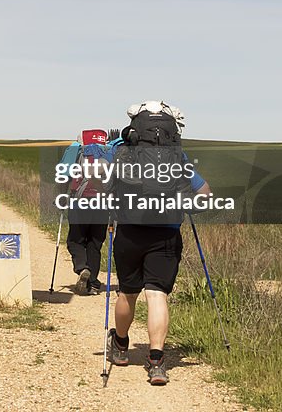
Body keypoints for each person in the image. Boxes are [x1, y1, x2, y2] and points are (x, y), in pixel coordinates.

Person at [103, 101, 211, 386]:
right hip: (166, 232)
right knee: (156, 295)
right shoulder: (178, 155)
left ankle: (121, 347)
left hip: (129, 231)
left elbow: (105, 184)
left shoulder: (121, 150)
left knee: (127, 293)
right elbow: (204, 192)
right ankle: (157, 362)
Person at [67, 132, 109, 295]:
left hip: (80, 203)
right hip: (102, 204)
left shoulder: (78, 151)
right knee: (95, 243)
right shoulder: (108, 152)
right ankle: (92, 283)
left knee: (76, 240)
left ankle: (82, 267)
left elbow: (65, 176)